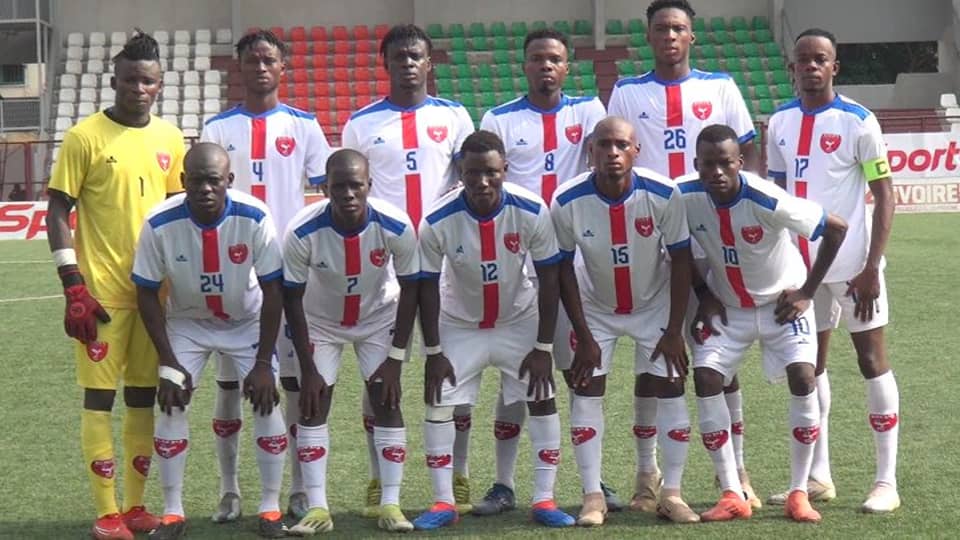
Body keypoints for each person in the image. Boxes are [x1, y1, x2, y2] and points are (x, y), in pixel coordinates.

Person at [607, 0, 762, 512]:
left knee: (721, 358)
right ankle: (646, 473)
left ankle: (737, 471)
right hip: (652, 245)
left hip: (713, 243)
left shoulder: (720, 88)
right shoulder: (627, 91)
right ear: (648, 35)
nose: (670, 35)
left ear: (691, 35)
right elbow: (619, 153)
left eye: (678, 28)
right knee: (653, 361)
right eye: (661, 28)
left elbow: (746, 154)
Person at [44, 30, 184, 540]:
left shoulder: (171, 139)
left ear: (159, 85)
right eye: (130, 80)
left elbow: (178, 214)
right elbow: (58, 209)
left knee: (144, 399)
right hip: (101, 298)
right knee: (100, 401)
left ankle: (136, 507)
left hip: (153, 298)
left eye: (147, 81)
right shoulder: (84, 137)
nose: (138, 89)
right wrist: (72, 284)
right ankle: (106, 514)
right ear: (114, 82)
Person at [474, 28, 615, 516]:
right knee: (516, 380)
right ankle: (503, 483)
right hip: (518, 268)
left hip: (575, 266)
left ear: (567, 66)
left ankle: (594, 482)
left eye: (554, 58)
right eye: (537, 58)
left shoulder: (589, 111)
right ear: (525, 65)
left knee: (580, 375)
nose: (546, 66)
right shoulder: (499, 118)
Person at [678, 124, 847, 523]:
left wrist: (807, 291)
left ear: (740, 162)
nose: (717, 172)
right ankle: (731, 492)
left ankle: (799, 492)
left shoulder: (766, 198)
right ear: (696, 164)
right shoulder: (682, 196)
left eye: (725, 163)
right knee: (705, 378)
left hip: (781, 306)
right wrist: (703, 292)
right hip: (729, 308)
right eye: (708, 164)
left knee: (804, 376)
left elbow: (836, 228)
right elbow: (675, 246)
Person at [341, 23, 475, 517]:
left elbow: (468, 181)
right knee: (379, 376)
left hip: (444, 265)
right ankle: (378, 477)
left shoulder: (454, 116)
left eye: (416, 56)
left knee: (455, 372)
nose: (408, 63)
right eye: (399, 56)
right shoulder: (361, 123)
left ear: (429, 62)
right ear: (386, 63)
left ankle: (458, 472)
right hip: (384, 267)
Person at [765, 28, 901, 513]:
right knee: (811, 366)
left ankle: (886, 481)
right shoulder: (779, 122)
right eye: (803, 59)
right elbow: (777, 198)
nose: (811, 66)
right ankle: (818, 476)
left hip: (853, 268)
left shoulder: (858, 121)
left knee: (871, 361)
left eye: (820, 59)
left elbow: (884, 194)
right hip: (803, 275)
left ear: (834, 67)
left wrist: (871, 267)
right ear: (792, 68)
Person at [200, 29, 331, 523]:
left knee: (293, 383)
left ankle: (297, 487)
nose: (260, 67)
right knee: (229, 385)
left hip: (289, 274)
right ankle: (229, 489)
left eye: (268, 60)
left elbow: (327, 189)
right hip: (234, 274)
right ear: (239, 67)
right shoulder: (217, 127)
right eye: (252, 60)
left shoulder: (304, 126)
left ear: (282, 68)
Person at [412, 130, 574, 530]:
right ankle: (443, 502)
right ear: (460, 172)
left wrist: (543, 347)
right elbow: (426, 287)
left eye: (491, 172)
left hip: (517, 320)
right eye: (472, 173)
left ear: (505, 169)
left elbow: (549, 278)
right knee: (439, 402)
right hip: (459, 324)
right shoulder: (437, 219)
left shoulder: (531, 210)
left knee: (542, 397)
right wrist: (433, 352)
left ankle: (544, 498)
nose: (482, 182)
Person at [132, 143, 287, 539]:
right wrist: (168, 362)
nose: (205, 188)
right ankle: (173, 513)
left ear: (228, 181)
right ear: (183, 181)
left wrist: (264, 364)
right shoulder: (158, 222)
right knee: (171, 403)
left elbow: (274, 289)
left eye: (214, 180)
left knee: (267, 402)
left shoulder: (254, 216)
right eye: (197, 180)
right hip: (188, 323)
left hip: (246, 320)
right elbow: (146, 292)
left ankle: (270, 508)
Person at [550, 117, 693, 526]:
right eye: (604, 144)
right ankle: (592, 497)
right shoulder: (567, 199)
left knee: (671, 386)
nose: (612, 152)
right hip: (595, 308)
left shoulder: (663, 193)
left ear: (636, 151)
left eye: (621, 145)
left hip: (654, 305)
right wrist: (583, 333)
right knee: (587, 389)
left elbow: (681, 259)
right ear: (590, 151)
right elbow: (562, 268)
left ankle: (671, 493)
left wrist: (673, 330)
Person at [281, 149, 420, 534]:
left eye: (356, 185)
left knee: (386, 399)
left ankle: (391, 504)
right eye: (338, 186)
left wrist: (395, 358)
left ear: (369, 185)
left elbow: (412, 288)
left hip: (377, 319)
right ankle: (317, 508)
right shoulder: (301, 231)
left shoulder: (395, 225)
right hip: (320, 323)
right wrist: (307, 368)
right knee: (314, 402)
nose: (348, 193)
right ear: (324, 188)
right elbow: (291, 298)